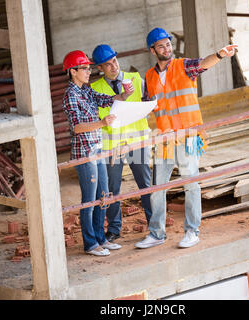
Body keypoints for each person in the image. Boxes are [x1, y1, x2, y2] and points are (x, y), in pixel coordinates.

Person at [135, 27, 238, 249]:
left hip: (189, 136)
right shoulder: (150, 76)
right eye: (161, 46)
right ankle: (157, 233)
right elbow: (148, 104)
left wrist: (220, 54)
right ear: (153, 50)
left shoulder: (183, 66)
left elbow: (203, 63)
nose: (167, 49)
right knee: (157, 187)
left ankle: (192, 231)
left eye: (168, 44)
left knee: (191, 184)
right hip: (164, 139)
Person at [62, 50, 134, 256]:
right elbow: (77, 127)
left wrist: (124, 95)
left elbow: (106, 100)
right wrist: (101, 123)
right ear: (73, 71)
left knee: (103, 195)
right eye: (84, 68)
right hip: (84, 153)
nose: (88, 71)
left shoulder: (86, 90)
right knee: (90, 199)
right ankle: (90, 243)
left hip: (97, 148)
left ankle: (101, 238)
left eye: (88, 67)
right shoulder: (70, 95)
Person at [90, 44, 152, 243]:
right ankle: (115, 228)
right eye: (107, 65)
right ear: (100, 68)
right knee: (112, 188)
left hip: (137, 141)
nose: (113, 66)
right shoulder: (94, 89)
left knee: (145, 184)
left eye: (114, 61)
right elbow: (100, 115)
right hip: (112, 144)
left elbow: (148, 104)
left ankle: (154, 224)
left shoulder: (136, 79)